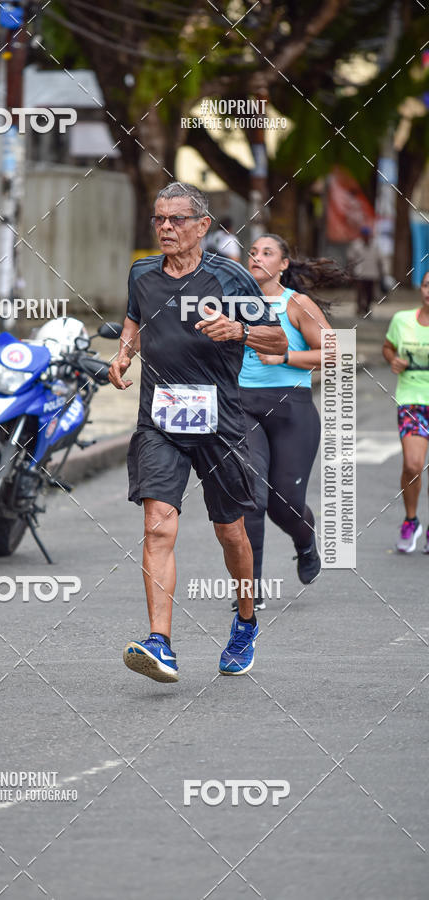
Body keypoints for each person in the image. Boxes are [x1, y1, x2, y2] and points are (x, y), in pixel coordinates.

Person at [108, 182, 287, 682]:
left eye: (177, 220)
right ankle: (159, 643)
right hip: (160, 419)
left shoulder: (229, 280)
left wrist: (241, 331)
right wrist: (124, 353)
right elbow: (135, 320)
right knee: (158, 525)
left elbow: (275, 338)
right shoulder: (142, 273)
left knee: (231, 532)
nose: (166, 228)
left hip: (220, 420)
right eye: (159, 220)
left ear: (202, 226)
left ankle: (246, 619)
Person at [235, 234, 346, 611]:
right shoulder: (233, 303)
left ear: (283, 264)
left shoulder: (296, 304)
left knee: (284, 503)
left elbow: (333, 352)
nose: (257, 257)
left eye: (267, 253)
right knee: (251, 498)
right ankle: (250, 593)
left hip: (292, 410)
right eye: (253, 252)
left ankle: (305, 542)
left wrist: (283, 359)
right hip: (242, 407)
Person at [383, 270, 429, 553]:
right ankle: (411, 520)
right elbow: (388, 347)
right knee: (413, 465)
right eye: (426, 285)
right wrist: (394, 360)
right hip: (412, 400)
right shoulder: (402, 320)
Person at [347, 225, 383, 317]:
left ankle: (367, 308)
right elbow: (351, 259)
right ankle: (359, 308)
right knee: (360, 292)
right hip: (360, 273)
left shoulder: (375, 245)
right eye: (364, 235)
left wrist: (381, 273)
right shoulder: (356, 245)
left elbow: (379, 260)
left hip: (372, 273)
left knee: (370, 293)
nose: (366, 237)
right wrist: (350, 272)